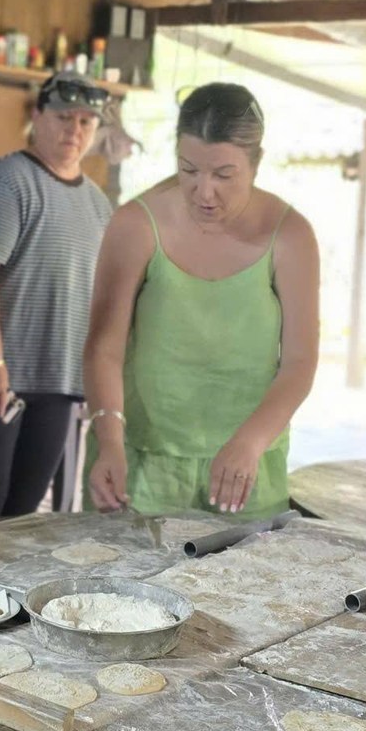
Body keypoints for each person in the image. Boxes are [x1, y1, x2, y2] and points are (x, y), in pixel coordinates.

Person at [84, 83, 318, 518]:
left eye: (224, 175)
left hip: (248, 464)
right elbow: (104, 349)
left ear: (256, 163)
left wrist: (250, 442)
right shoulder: (136, 223)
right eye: (188, 170)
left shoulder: (291, 235)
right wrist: (110, 440)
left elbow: (300, 362)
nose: (204, 191)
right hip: (140, 462)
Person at [0, 74, 115, 516]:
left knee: (24, 513)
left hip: (60, 379)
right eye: (64, 117)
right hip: (2, 380)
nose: (75, 130)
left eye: (86, 121)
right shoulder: (5, 181)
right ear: (37, 116)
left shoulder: (98, 203)